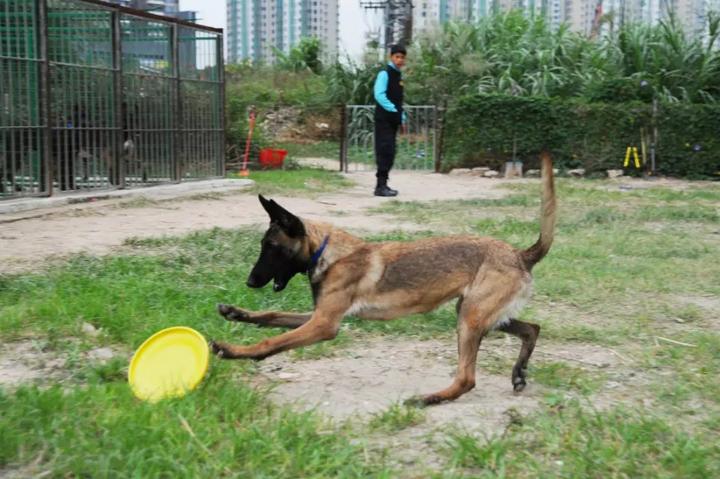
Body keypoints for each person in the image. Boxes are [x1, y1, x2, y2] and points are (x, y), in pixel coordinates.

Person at [373, 44, 407, 197]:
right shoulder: (384, 74)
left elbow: (399, 100)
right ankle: (380, 186)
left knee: (390, 152)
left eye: (402, 57)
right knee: (384, 151)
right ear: (391, 57)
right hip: (384, 119)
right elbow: (379, 95)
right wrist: (394, 110)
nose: (400, 60)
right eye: (397, 57)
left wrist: (402, 117)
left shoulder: (398, 75)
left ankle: (384, 184)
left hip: (393, 120)